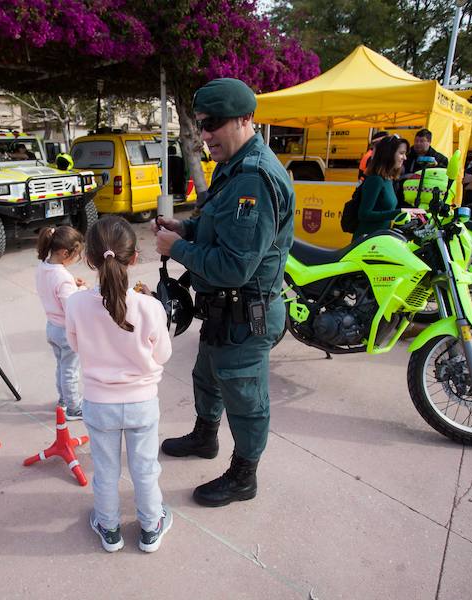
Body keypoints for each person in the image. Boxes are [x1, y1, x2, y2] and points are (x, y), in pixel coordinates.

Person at [152, 78, 294, 508]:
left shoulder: (254, 178)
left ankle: (243, 476)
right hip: (221, 313)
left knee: (246, 400)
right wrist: (187, 229)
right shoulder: (234, 166)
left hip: (244, 316)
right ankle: (204, 437)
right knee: (207, 379)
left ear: (246, 119)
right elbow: (219, 228)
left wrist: (177, 249)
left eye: (213, 123)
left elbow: (235, 266)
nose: (205, 134)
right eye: (200, 125)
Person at [64, 216, 173, 553]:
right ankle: (151, 526)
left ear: (90, 259)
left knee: (106, 471)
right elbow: (163, 355)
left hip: (99, 404)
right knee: (144, 469)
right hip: (142, 403)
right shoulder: (150, 306)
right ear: (134, 257)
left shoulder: (76, 303)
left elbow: (75, 346)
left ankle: (109, 528)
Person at [35, 225, 87, 420]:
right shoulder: (63, 277)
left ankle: (63, 400)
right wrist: (82, 291)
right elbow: (71, 307)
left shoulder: (43, 267)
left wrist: (73, 284)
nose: (77, 258)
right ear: (65, 253)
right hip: (66, 331)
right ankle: (74, 408)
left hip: (52, 327)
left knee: (62, 366)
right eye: (77, 254)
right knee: (70, 371)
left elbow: (53, 288)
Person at [353, 135, 424, 241]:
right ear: (389, 155)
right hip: (367, 241)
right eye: (401, 153)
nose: (405, 157)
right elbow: (364, 214)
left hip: (378, 240)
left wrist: (407, 211)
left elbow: (386, 210)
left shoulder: (388, 180)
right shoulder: (376, 180)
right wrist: (399, 212)